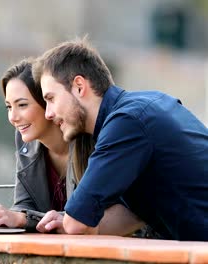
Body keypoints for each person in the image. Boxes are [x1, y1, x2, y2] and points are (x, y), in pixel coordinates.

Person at [32, 38, 208, 241]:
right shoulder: (149, 103)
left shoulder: (127, 123)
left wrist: (71, 220)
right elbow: (131, 215)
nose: (48, 114)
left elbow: (76, 224)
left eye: (51, 99)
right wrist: (68, 221)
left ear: (79, 86)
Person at [0, 59, 84, 232]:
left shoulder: (86, 142)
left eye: (22, 105)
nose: (13, 117)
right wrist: (7, 216)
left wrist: (22, 218)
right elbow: (24, 205)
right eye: (9, 107)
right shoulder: (25, 141)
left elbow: (88, 214)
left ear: (48, 102)